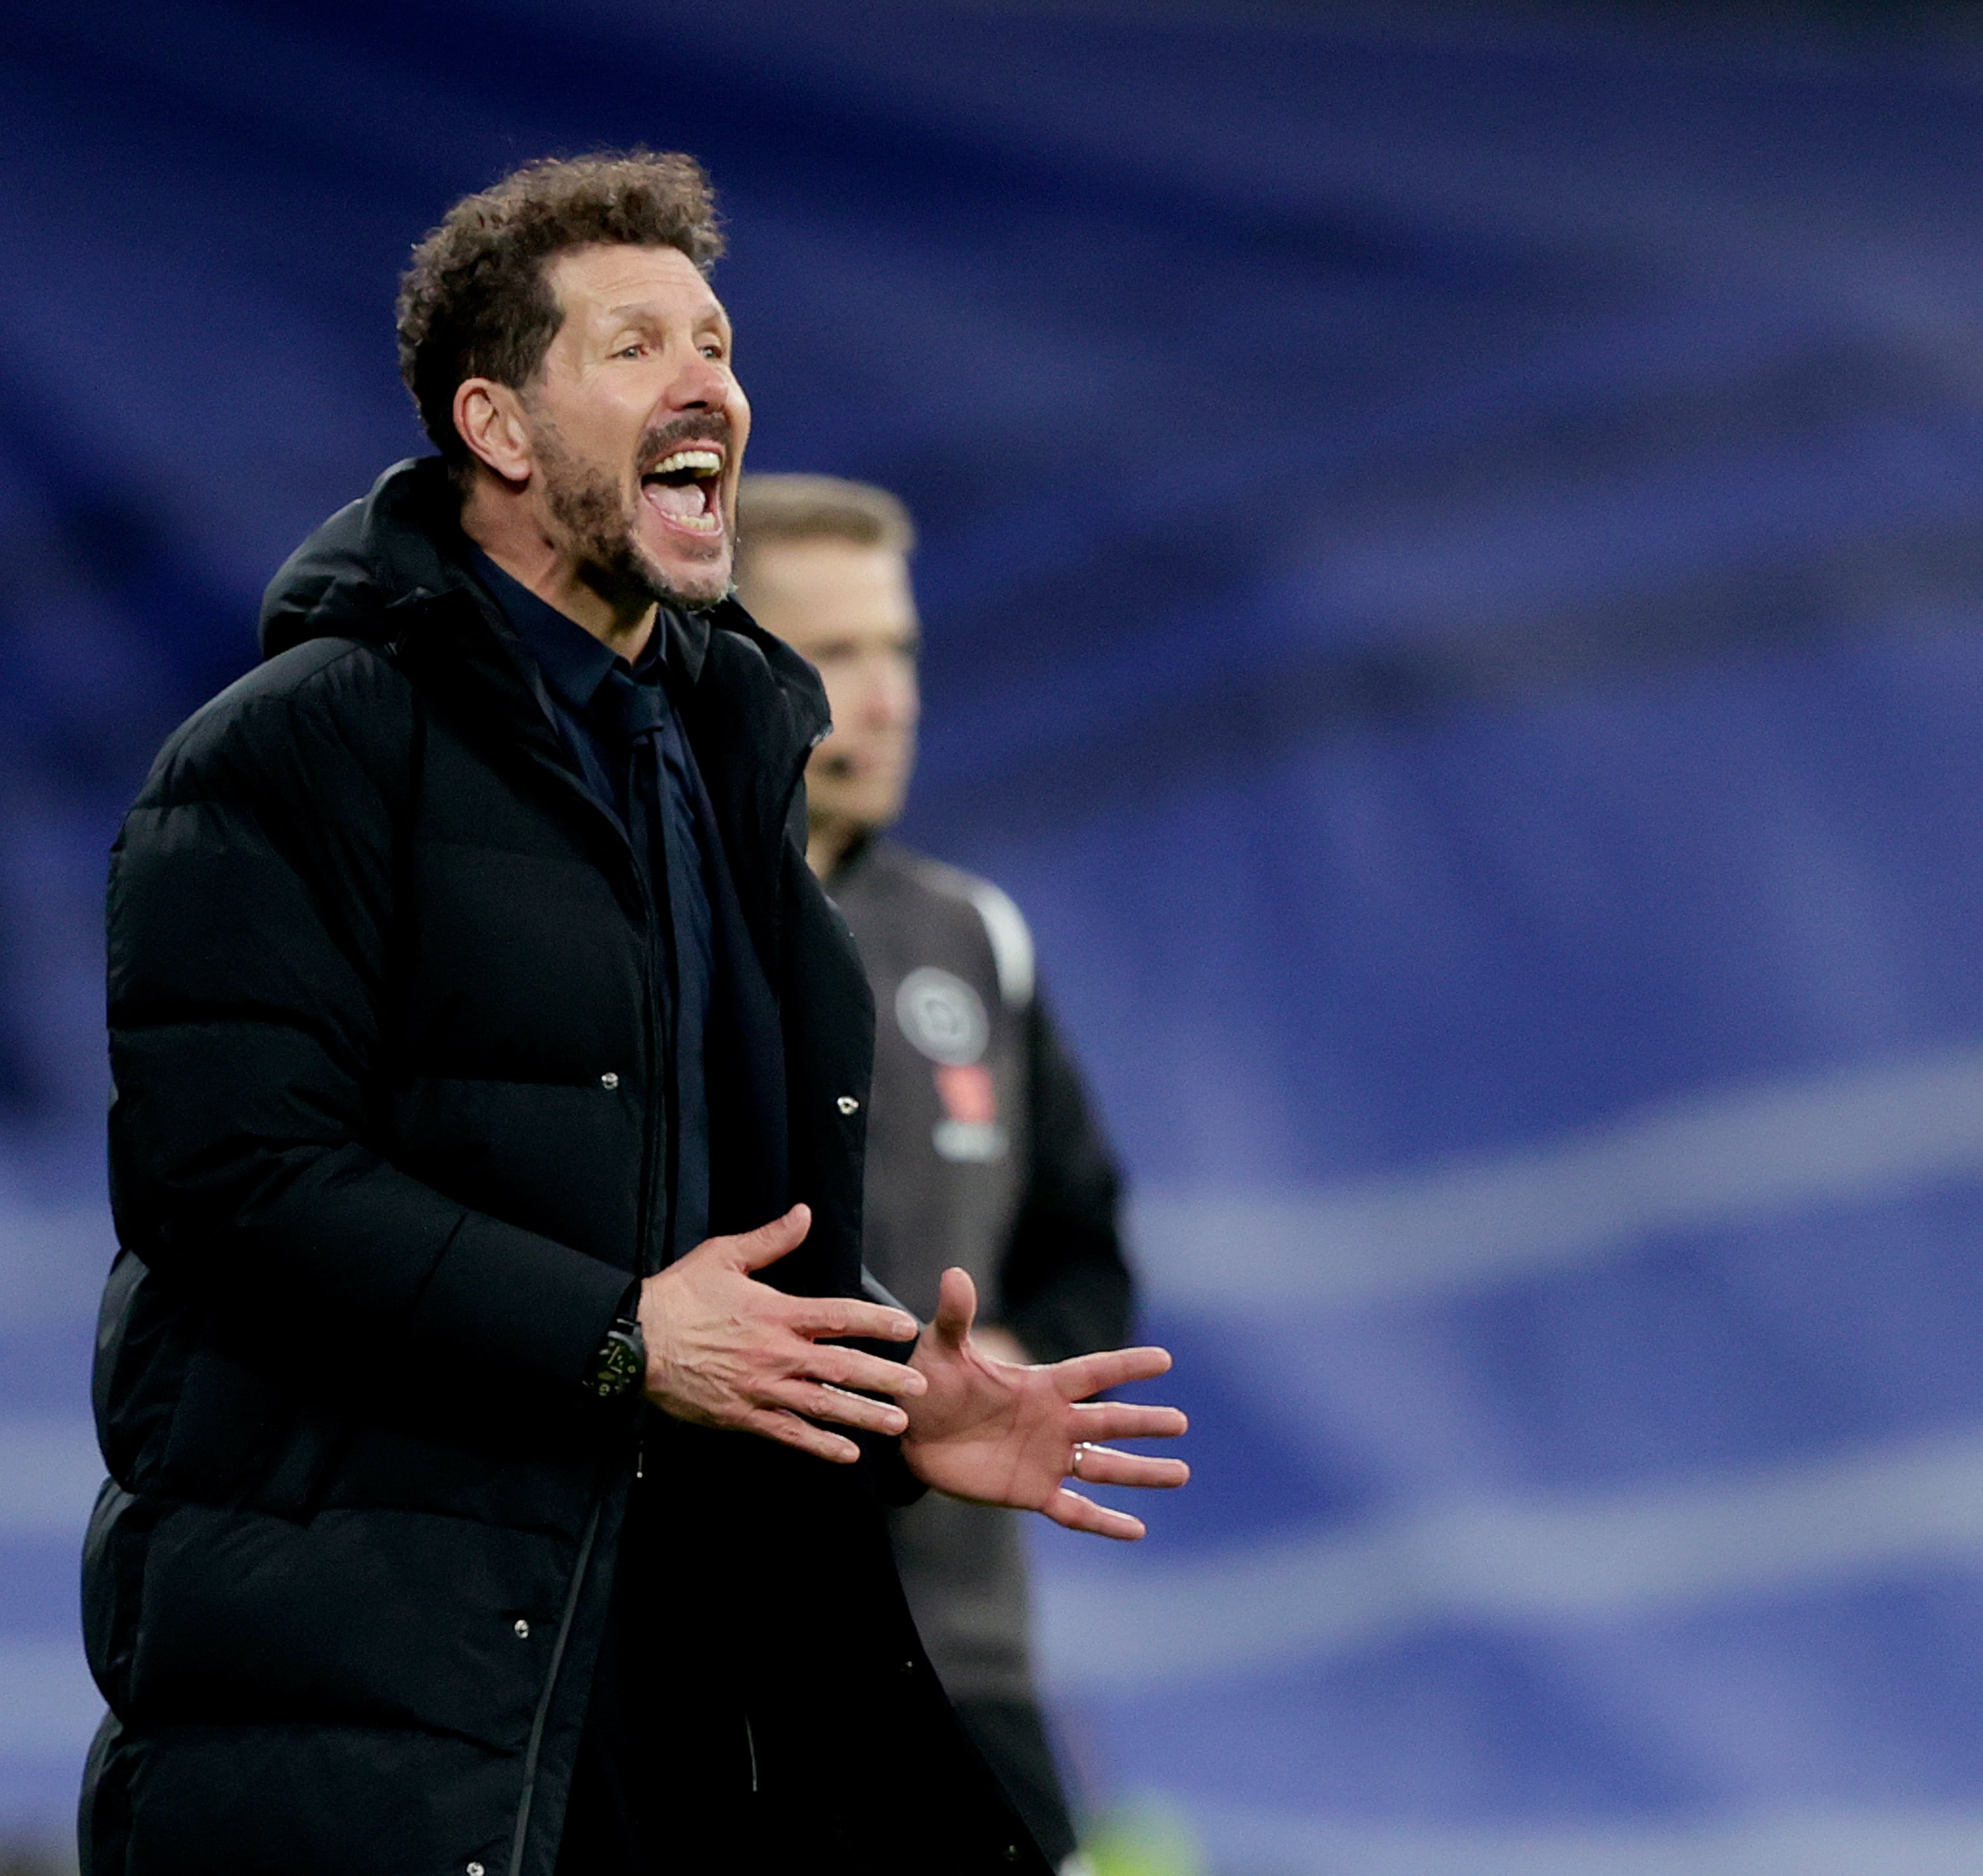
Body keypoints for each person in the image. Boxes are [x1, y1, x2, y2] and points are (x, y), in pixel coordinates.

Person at [80, 152, 1187, 1876]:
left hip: (698, 1703)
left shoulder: (728, 756)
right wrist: (614, 1334)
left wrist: (896, 1395)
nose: (708, 387)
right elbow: (231, 1185)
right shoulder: (286, 758)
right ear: (498, 427)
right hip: (387, 1729)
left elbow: (699, 1218)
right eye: (634, 347)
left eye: (720, 342)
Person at [734, 474, 1134, 1871]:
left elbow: (1084, 1253)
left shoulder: (975, 941)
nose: (887, 694)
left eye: (897, 650)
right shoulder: (657, 930)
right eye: (835, 654)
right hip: (715, 1675)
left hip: (962, 1661)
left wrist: (1011, 1365)